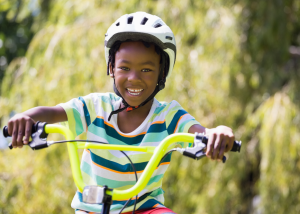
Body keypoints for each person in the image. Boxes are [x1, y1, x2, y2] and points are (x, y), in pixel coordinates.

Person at [7, 12, 235, 214]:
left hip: (146, 208)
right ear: (111, 69)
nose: (134, 78)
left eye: (146, 69)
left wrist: (219, 134)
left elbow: (201, 132)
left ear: (162, 74)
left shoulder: (168, 116)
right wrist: (26, 118)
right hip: (92, 207)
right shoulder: (95, 107)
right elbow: (54, 112)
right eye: (124, 68)